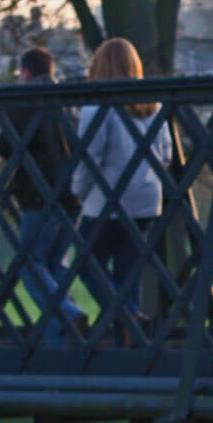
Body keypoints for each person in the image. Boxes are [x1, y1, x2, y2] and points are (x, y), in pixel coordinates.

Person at [76, 38, 172, 342]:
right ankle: (128, 337)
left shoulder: (96, 108)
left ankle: (129, 317)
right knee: (127, 274)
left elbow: (90, 157)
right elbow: (166, 152)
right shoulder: (152, 106)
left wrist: (76, 190)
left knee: (86, 264)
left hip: (108, 199)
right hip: (146, 198)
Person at [0, 47, 84, 346]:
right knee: (55, 264)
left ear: (26, 73)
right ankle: (60, 338)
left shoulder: (26, 101)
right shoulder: (68, 102)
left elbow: (7, 144)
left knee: (31, 262)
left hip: (39, 193)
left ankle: (67, 312)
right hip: (74, 192)